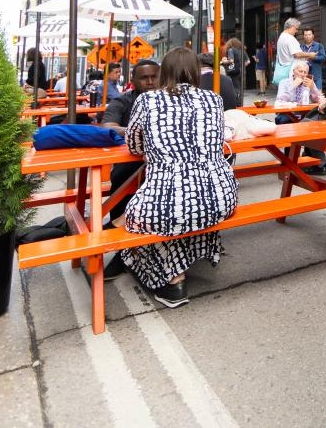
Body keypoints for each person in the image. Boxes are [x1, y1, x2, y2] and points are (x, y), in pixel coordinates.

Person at [119, 48, 239, 308]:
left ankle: (174, 280)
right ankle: (191, 257)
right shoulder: (213, 99)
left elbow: (134, 145)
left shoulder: (148, 101)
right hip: (222, 196)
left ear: (165, 73)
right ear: (195, 72)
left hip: (173, 199)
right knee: (180, 209)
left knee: (135, 218)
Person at [98, 59, 161, 278]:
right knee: (122, 182)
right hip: (130, 164)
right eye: (145, 78)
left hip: (160, 167)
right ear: (133, 81)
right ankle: (125, 247)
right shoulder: (122, 101)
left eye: (154, 77)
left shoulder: (168, 100)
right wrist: (136, 130)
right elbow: (108, 127)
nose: (151, 82)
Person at [275, 18, 315, 83]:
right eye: (296, 29)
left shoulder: (281, 37)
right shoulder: (289, 38)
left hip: (285, 70)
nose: (297, 31)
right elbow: (297, 54)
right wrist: (310, 54)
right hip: (293, 73)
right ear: (291, 26)